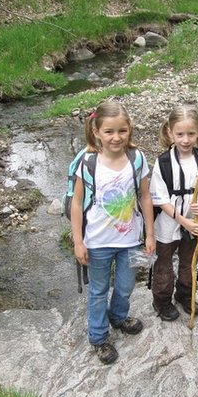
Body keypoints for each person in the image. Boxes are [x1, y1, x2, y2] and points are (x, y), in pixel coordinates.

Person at [70, 100, 156, 364]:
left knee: (126, 285)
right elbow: (76, 202)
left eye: (122, 131)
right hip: (97, 242)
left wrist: (150, 235)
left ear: (129, 129)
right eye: (109, 131)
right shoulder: (87, 162)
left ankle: (118, 317)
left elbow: (144, 197)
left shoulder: (137, 158)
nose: (116, 137)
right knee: (97, 290)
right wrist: (78, 241)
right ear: (96, 131)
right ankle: (98, 337)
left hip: (130, 240)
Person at [149, 104, 198, 321]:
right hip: (168, 223)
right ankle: (161, 300)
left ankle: (185, 295)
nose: (185, 140)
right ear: (170, 133)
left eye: (190, 134)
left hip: (194, 223)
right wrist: (183, 221)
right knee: (164, 263)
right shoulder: (163, 163)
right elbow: (160, 200)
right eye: (180, 134)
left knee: (189, 261)